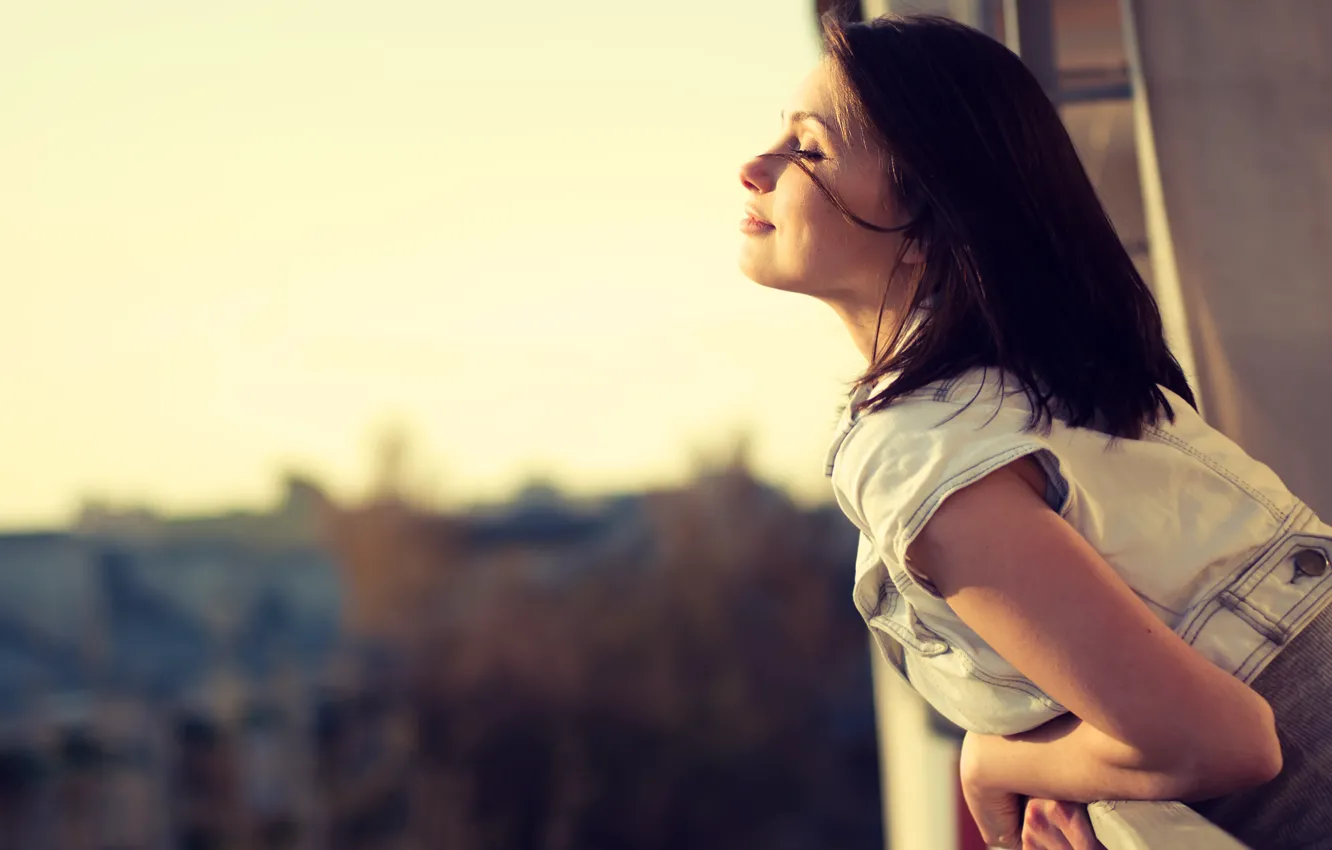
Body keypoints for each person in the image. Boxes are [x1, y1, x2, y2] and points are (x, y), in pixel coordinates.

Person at [737, 13, 1332, 850]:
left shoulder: (918, 448)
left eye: (809, 148)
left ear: (927, 220)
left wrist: (992, 760)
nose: (754, 167)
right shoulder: (1045, 383)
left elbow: (1221, 741)